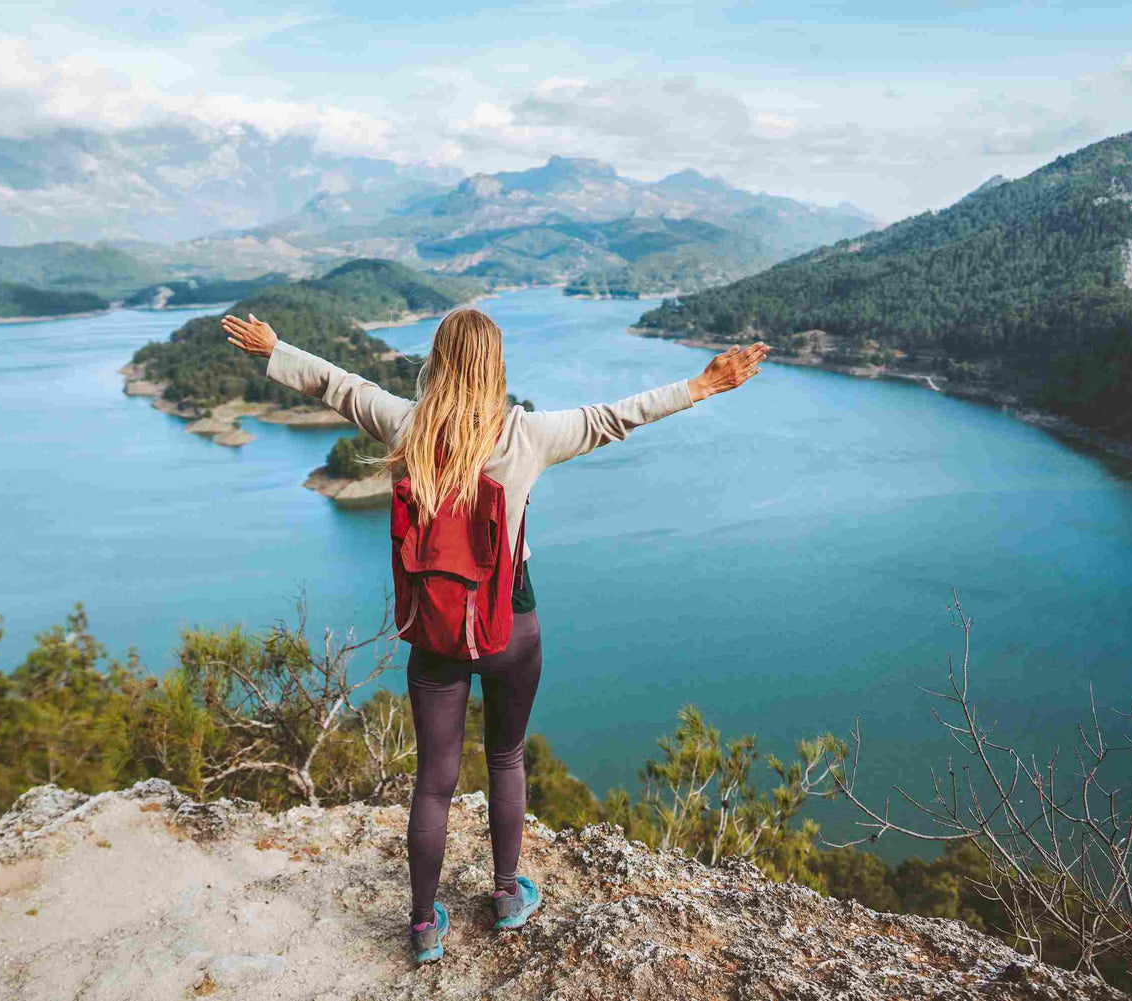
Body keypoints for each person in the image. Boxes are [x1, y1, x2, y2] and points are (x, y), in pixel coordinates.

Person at [222, 306, 768, 964]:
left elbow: (339, 385)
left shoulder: (407, 425)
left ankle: (424, 926)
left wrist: (274, 348)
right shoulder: (525, 434)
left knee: (433, 783)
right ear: (495, 368)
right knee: (506, 756)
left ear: (439, 360)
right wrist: (703, 384)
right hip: (511, 625)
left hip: (436, 633)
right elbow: (615, 417)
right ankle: (507, 895)